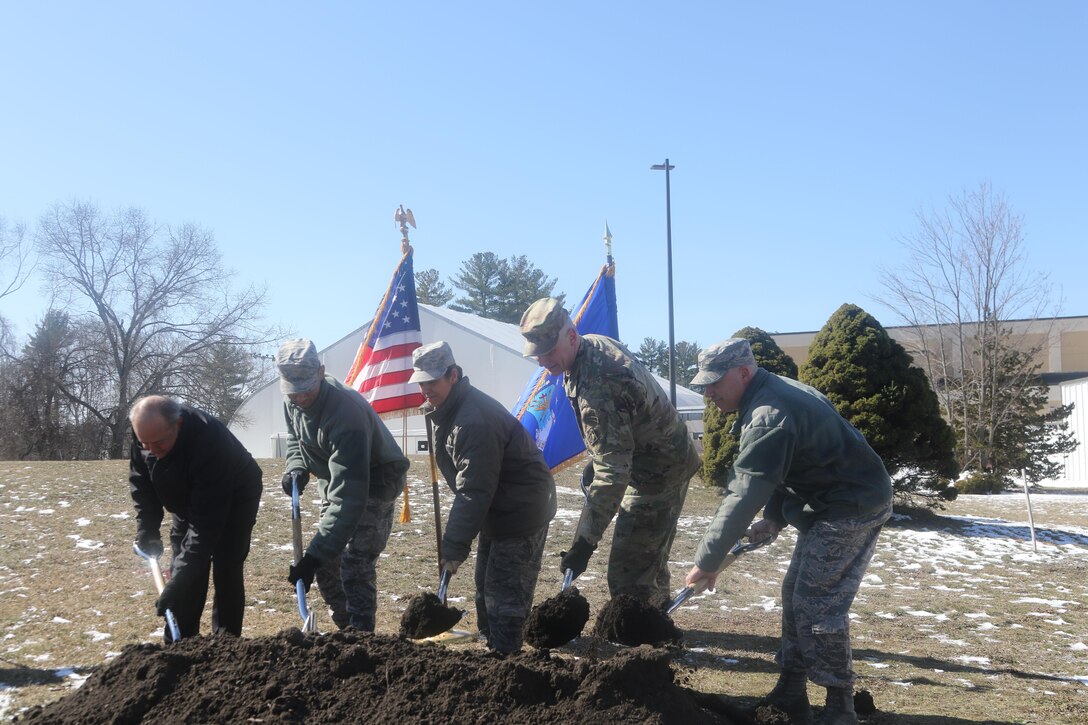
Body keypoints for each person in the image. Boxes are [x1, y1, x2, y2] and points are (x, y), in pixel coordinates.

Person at [683, 339, 893, 725]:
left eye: (714, 382)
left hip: (852, 505)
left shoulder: (768, 413)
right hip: (830, 501)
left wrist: (707, 561)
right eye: (704, 384)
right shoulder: (768, 394)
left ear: (743, 373)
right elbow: (785, 468)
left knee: (817, 603)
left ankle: (839, 707)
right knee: (794, 593)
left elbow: (744, 492)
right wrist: (776, 517)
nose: (708, 392)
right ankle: (792, 690)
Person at [519, 297, 701, 603]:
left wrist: (584, 544)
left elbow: (612, 473)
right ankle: (654, 617)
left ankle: (643, 638)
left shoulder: (599, 385)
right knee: (644, 556)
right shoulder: (588, 347)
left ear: (571, 337)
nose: (541, 360)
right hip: (654, 459)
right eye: (536, 353)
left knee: (629, 569)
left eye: (548, 351)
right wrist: (603, 451)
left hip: (659, 472)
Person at [409, 341, 557, 653]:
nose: (426, 389)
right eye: (421, 382)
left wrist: (454, 546)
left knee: (504, 596)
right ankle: (494, 649)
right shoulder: (449, 411)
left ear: (453, 375)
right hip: (498, 506)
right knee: (484, 588)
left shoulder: (472, 420)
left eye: (432, 382)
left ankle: (507, 660)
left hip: (521, 510)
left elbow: (473, 491)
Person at [277, 338, 410, 632]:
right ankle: (346, 629)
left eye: (305, 390)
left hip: (374, 481)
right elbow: (296, 438)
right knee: (327, 564)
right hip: (335, 480)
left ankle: (362, 639)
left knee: (354, 562)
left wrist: (311, 556)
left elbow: (349, 497)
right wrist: (296, 467)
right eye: (292, 392)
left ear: (321, 373)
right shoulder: (293, 399)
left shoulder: (345, 413)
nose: (299, 398)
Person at [128, 395, 263, 641]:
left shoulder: (209, 440)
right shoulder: (146, 435)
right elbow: (142, 483)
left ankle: (225, 644)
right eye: (144, 444)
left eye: (158, 443)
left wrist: (178, 580)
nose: (152, 451)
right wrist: (147, 529)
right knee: (185, 568)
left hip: (235, 495)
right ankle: (180, 643)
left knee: (226, 564)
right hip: (187, 499)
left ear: (177, 424)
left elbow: (204, 527)